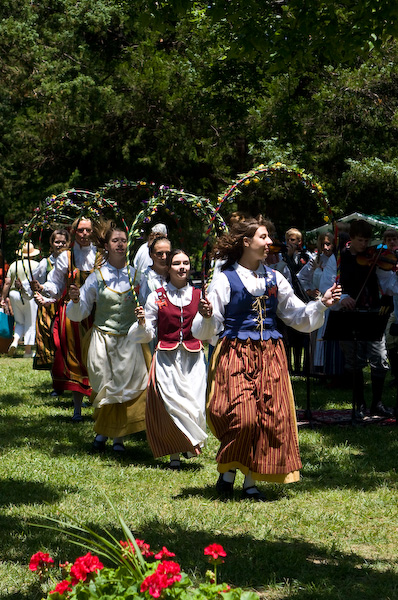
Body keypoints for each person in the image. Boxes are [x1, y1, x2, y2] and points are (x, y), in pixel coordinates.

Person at [191, 218, 341, 501]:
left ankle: (250, 482)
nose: (269, 241)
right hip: (235, 353)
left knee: (268, 418)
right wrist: (208, 315)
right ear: (246, 242)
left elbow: (296, 315)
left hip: (271, 355)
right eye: (263, 236)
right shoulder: (224, 279)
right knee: (243, 416)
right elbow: (206, 328)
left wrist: (322, 304)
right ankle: (227, 473)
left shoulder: (275, 277)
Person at [66, 224, 149, 452]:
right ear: (106, 246)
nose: (120, 244)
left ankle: (116, 438)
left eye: (123, 240)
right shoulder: (96, 277)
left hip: (128, 341)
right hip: (102, 338)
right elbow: (81, 310)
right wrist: (74, 300)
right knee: (104, 385)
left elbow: (148, 304)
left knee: (123, 388)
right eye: (115, 241)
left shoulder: (136, 276)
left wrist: (143, 316)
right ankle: (104, 432)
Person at [133, 249, 207, 470]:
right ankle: (174, 453)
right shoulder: (157, 296)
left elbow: (206, 330)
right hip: (166, 357)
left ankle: (188, 442)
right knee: (171, 403)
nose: (182, 267)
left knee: (194, 405)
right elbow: (148, 333)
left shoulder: (198, 295)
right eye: (177, 263)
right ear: (169, 268)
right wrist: (142, 322)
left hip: (193, 359)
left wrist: (209, 316)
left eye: (185, 263)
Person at [34, 218, 96, 421]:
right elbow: (55, 283)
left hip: (97, 313)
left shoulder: (100, 255)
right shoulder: (65, 258)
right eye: (80, 230)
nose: (84, 234)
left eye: (88, 230)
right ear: (74, 232)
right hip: (72, 314)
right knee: (75, 357)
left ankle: (98, 403)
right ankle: (77, 408)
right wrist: (43, 289)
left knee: (96, 357)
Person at [336, 219, 392, 418]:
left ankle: (377, 403)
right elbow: (333, 282)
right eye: (361, 240)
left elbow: (387, 284)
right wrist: (343, 297)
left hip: (373, 311)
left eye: (367, 241)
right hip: (349, 314)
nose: (365, 245)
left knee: (379, 358)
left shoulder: (374, 257)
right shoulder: (341, 257)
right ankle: (359, 403)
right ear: (351, 238)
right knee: (354, 361)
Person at [24, 230, 70, 378]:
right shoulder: (45, 263)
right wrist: (31, 287)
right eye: (57, 242)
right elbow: (34, 280)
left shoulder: (72, 260)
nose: (60, 245)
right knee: (49, 342)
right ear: (51, 243)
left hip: (67, 306)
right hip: (47, 308)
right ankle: (55, 380)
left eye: (63, 242)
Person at [1, 243, 40, 357]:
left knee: (20, 322)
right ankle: (28, 351)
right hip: (29, 294)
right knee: (30, 322)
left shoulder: (14, 265)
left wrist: (3, 298)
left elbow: (7, 282)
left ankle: (15, 340)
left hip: (14, 294)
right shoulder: (37, 265)